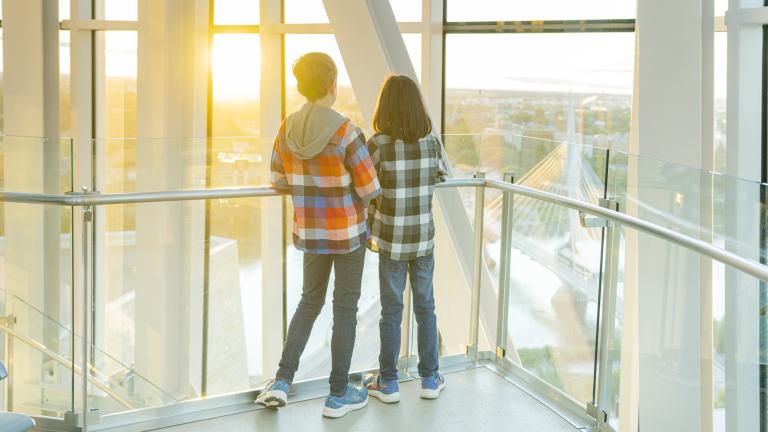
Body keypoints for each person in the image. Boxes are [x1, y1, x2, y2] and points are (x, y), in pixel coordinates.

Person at [256, 52, 381, 419]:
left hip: (310, 233)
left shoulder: (287, 128)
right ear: (332, 85)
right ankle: (338, 394)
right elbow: (370, 187)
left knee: (309, 302)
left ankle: (281, 381)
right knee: (345, 309)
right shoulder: (346, 131)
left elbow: (278, 180)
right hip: (347, 235)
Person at [363, 75, 448, 403]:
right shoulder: (431, 143)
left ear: (385, 107)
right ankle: (429, 377)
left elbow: (367, 188)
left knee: (391, 310)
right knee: (426, 307)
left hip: (391, 241)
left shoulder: (378, 145)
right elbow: (440, 175)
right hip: (422, 240)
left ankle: (388, 382)